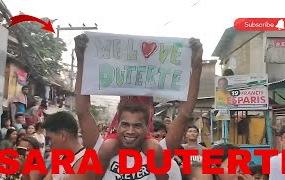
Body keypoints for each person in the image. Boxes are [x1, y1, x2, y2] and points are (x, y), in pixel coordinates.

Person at [74, 33, 203, 179]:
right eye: (125, 124)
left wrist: (197, 66)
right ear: (117, 125)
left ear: (146, 127)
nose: (130, 131)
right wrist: (81, 60)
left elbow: (185, 114)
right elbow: (82, 112)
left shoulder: (158, 152)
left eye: (137, 125)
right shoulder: (102, 150)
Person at [42, 111, 95, 180]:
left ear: (63, 136)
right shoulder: (61, 156)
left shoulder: (85, 163)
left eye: (49, 139)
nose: (48, 144)